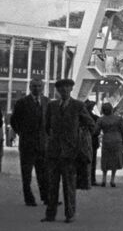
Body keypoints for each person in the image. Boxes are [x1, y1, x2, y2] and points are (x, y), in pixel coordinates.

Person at [42, 78, 94, 223]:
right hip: (54, 152)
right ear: (58, 91)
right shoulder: (52, 106)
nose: (64, 91)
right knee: (52, 185)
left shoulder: (78, 105)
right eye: (61, 89)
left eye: (67, 88)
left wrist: (79, 138)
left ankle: (69, 214)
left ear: (71, 89)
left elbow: (91, 124)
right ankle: (50, 214)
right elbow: (47, 126)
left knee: (69, 185)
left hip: (71, 153)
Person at [10, 78, 49, 206]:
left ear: (42, 87)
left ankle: (46, 197)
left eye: (39, 86)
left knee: (43, 174)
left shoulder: (46, 102)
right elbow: (14, 121)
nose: (36, 88)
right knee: (26, 175)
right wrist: (22, 133)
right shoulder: (22, 103)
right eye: (34, 86)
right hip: (27, 145)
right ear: (30, 87)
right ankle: (29, 198)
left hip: (42, 144)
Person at [94, 102, 123, 188]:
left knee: (105, 159)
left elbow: (96, 131)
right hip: (117, 140)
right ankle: (112, 180)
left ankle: (104, 179)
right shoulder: (119, 119)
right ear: (112, 109)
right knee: (115, 160)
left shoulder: (101, 120)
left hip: (106, 140)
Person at [85, 100, 100, 186]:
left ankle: (83, 179)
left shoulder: (80, 117)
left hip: (82, 141)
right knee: (93, 161)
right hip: (93, 141)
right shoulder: (96, 118)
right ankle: (92, 179)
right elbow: (97, 131)